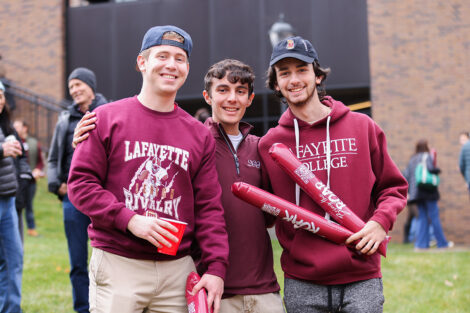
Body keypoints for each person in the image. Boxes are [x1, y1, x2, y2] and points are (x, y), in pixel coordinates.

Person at [67, 25, 229, 313]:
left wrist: (216, 267)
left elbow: (209, 206)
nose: (171, 65)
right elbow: (81, 185)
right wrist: (130, 220)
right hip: (119, 263)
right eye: (162, 55)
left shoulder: (198, 134)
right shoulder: (105, 119)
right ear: (142, 62)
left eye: (180, 58)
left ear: (188, 68)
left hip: (178, 271)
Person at [259, 36, 408, 313]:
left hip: (360, 273)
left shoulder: (361, 127)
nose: (294, 79)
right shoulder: (269, 144)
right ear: (276, 84)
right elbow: (265, 212)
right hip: (302, 279)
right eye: (284, 73)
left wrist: (379, 223)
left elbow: (393, 188)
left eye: (301, 70)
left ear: (317, 76)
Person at [47, 67, 108, 313]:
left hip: (103, 198)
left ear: (90, 85)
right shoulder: (64, 120)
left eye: (78, 85)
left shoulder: (107, 112)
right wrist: (56, 185)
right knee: (77, 261)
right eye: (71, 87)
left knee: (106, 259)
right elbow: (53, 159)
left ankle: (104, 305)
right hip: (72, 199)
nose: (74, 90)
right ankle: (83, 309)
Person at [0, 80, 27, 313]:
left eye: (0, 96)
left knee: (13, 260)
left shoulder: (5, 126)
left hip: (7, 201)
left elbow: (21, 156)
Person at [403, 139, 453, 251]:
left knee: (422, 218)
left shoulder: (412, 159)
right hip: (428, 191)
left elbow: (405, 175)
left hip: (417, 193)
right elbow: (431, 169)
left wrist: (409, 192)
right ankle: (442, 243)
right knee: (434, 216)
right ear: (425, 146)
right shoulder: (427, 156)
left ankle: (421, 245)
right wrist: (437, 170)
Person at [13, 120, 45, 238]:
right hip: (17, 181)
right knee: (17, 205)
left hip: (31, 181)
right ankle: (15, 228)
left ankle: (31, 228)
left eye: (17, 126)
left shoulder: (33, 143)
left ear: (25, 128)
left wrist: (37, 170)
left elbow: (40, 162)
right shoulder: (12, 141)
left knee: (29, 205)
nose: (15, 128)